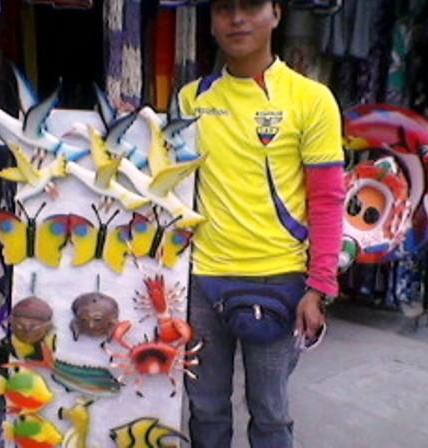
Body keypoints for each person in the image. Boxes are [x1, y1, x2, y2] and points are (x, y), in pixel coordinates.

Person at [179, 0, 345, 447]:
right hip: (202, 281)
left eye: (251, 5)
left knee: (270, 414)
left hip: (279, 282)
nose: (237, 19)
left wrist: (319, 287)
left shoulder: (311, 99)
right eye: (224, 8)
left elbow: (327, 200)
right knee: (204, 410)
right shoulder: (191, 100)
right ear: (211, 21)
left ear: (276, 13)